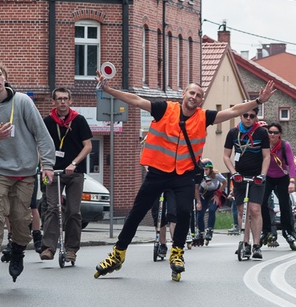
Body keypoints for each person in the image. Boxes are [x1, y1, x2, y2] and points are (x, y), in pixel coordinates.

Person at [94, 75, 276, 280]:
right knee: (137, 212)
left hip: (183, 173)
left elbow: (233, 111)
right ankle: (118, 253)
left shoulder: (204, 117)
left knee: (183, 212)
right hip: (158, 172)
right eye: (191, 93)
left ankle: (177, 253)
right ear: (183, 94)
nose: (194, 97)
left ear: (201, 100)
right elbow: (136, 100)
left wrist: (258, 101)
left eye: (199, 95)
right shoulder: (164, 109)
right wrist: (109, 90)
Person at [0, 60, 55, 289]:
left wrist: (47, 164)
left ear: (4, 76)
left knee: (19, 218)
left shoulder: (22, 102)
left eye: (0, 75)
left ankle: (17, 250)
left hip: (25, 173)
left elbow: (42, 135)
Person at [41, 87, 93, 263]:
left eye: (65, 99)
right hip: (53, 172)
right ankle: (49, 247)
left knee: (73, 211)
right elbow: (40, 145)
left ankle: (71, 249)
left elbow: (88, 146)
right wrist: (44, 166)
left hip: (74, 172)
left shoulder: (79, 120)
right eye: (59, 99)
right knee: (52, 208)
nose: (62, 102)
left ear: (71, 101)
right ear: (53, 102)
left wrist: (74, 163)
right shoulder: (48, 121)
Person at [223, 107, 271, 260]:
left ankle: (256, 245)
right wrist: (233, 173)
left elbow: (266, 156)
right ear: (241, 116)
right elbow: (226, 156)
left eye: (252, 116)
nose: (248, 118)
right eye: (245, 115)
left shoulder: (261, 133)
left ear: (256, 117)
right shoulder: (233, 133)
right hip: (239, 177)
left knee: (255, 209)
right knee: (242, 210)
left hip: (256, 177)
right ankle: (246, 243)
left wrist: (262, 175)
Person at [260, 123, 296, 250]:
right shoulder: (263, 144)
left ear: (280, 134)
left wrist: (292, 181)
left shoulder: (284, 145)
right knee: (262, 202)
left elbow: (292, 164)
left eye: (275, 132)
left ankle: (288, 231)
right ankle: (266, 229)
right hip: (267, 177)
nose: (272, 134)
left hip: (282, 177)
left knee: (284, 204)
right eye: (270, 132)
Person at [196, 158, 227, 245]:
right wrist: (198, 201)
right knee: (200, 213)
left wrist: (218, 194)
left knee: (212, 210)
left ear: (210, 169)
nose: (204, 172)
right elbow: (196, 189)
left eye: (206, 170)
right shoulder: (199, 176)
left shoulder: (216, 175)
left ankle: (210, 230)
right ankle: (201, 232)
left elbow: (225, 182)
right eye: (203, 170)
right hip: (204, 194)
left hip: (214, 193)